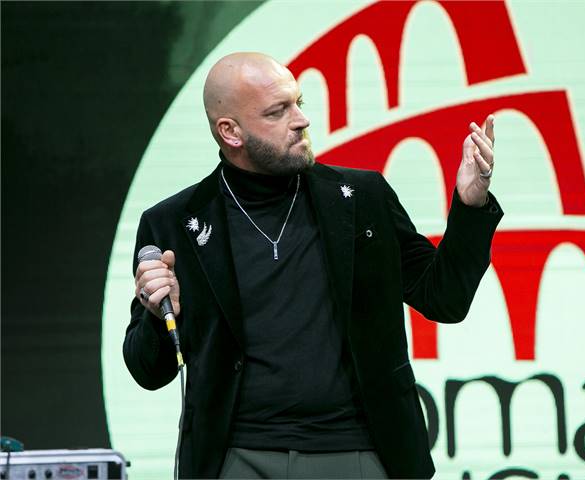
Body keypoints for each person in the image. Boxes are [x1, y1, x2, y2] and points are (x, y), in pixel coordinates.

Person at [123, 52, 503, 479]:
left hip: (359, 449)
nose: (301, 120)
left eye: (298, 103)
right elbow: (147, 371)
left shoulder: (363, 198)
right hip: (237, 457)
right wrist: (157, 316)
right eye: (278, 111)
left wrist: (471, 207)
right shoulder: (173, 224)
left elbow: (444, 298)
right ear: (230, 131)